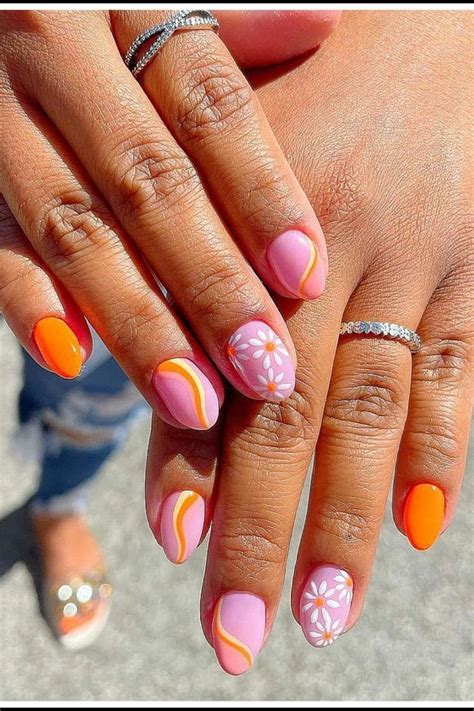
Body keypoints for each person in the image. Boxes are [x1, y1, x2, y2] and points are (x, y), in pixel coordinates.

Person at [0, 9, 472, 672]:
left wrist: (444, 43)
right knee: (74, 369)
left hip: (369, 105)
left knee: (142, 391)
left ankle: (59, 502)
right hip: (69, 115)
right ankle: (59, 502)